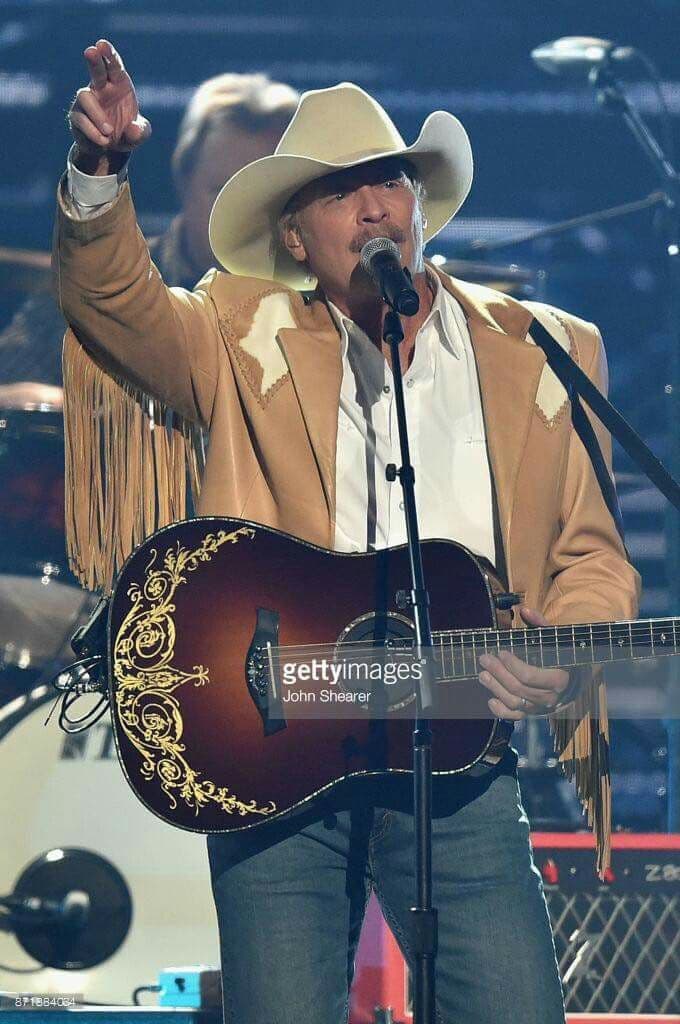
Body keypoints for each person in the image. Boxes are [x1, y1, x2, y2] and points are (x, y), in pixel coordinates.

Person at [54, 39, 640, 1024]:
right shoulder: (236, 332)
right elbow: (111, 304)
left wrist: (560, 649)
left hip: (456, 758)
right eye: (339, 193)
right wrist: (99, 172)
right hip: (276, 748)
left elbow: (590, 554)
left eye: (389, 182)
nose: (373, 208)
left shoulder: (544, 349)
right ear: (294, 238)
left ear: (419, 205)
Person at [0, 68, 298, 389]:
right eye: (223, 191)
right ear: (184, 179)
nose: (241, 215)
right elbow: (12, 385)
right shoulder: (98, 281)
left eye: (265, 197)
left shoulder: (319, 301)